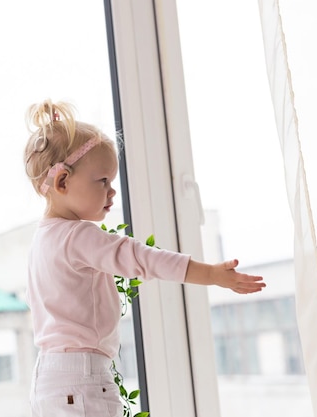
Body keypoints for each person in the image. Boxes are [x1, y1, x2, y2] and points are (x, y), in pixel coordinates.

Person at [23, 99, 266, 417]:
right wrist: (211, 274)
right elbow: (141, 258)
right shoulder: (79, 236)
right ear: (63, 182)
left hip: (47, 381)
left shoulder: (41, 240)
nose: (112, 192)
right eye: (103, 181)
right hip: (81, 380)